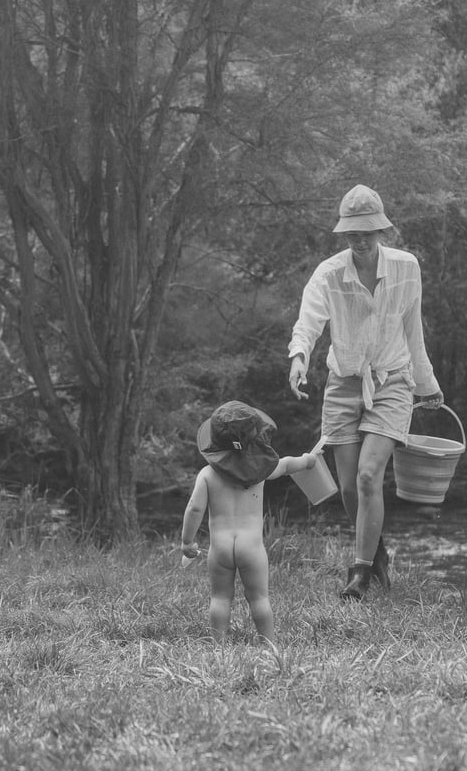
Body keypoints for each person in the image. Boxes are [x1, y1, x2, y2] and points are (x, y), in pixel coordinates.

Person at [288, 184, 443, 600]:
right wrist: (299, 356)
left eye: (367, 233)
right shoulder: (329, 273)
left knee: (369, 474)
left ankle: (358, 574)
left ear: (381, 230)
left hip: (392, 380)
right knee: (349, 488)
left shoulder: (406, 267)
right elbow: (309, 319)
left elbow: (413, 327)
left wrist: (426, 383)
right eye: (352, 234)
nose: (359, 241)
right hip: (343, 383)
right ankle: (377, 554)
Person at [180, 400, 316, 644]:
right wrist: (307, 460)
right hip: (251, 547)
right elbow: (287, 465)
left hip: (220, 546)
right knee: (259, 598)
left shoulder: (207, 474)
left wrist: (187, 542)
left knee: (220, 598)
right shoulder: (261, 471)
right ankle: (268, 645)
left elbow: (195, 508)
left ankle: (218, 646)